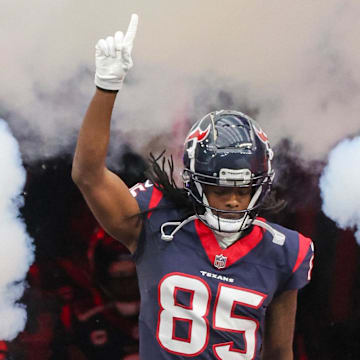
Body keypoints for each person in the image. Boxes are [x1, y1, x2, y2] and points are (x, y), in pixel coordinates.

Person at [72, 14, 314, 360]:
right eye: (219, 189)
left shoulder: (283, 251)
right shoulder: (157, 222)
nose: (232, 200)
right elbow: (88, 175)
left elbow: (279, 351)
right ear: (196, 184)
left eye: (243, 190)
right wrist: (106, 87)